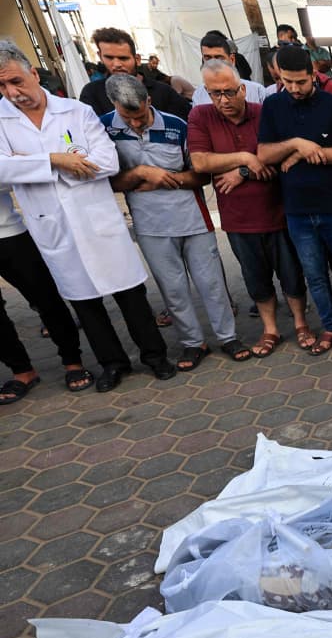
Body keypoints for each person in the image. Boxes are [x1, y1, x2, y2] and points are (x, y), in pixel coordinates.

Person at [0, 41, 174, 391]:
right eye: (2, 86)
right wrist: (57, 160)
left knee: (129, 294)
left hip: (95, 220)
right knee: (85, 302)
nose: (11, 92)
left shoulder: (76, 112)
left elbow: (107, 162)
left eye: (16, 81)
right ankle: (112, 364)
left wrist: (27, 165)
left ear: (34, 74)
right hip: (53, 224)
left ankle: (155, 356)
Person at [103, 74, 248, 371]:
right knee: (173, 289)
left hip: (192, 218)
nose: (135, 124)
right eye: (126, 117)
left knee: (212, 284)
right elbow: (109, 182)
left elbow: (201, 174)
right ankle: (193, 343)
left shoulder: (177, 125)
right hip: (149, 225)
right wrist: (142, 173)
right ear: (114, 106)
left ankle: (228, 337)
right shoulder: (104, 128)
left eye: (140, 116)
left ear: (149, 101)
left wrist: (168, 179)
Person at [258, 45, 332, 355]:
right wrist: (297, 143)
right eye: (287, 81)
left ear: (313, 75)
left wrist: (302, 154)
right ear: (278, 77)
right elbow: (265, 154)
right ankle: (330, 328)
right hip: (298, 210)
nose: (294, 88)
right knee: (315, 275)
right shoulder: (272, 106)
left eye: (301, 81)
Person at [189, 60, 311, 358]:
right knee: (255, 277)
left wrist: (240, 172)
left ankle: (300, 323)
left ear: (242, 89)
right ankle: (270, 329)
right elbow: (201, 163)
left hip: (278, 210)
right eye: (215, 93)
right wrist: (246, 158)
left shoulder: (263, 113)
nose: (223, 100)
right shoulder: (200, 116)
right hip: (238, 218)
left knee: (291, 273)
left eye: (229, 92)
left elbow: (277, 155)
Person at [0, 186, 93, 400]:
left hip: (9, 234)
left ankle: (73, 362)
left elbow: (11, 176)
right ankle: (22, 371)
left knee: (45, 298)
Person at [79, 27, 189, 119]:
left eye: (123, 58)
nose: (116, 64)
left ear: (137, 59)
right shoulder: (92, 93)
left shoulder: (163, 92)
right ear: (100, 56)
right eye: (109, 58)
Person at [192, 32, 267, 106]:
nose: (213, 63)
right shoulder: (199, 95)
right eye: (208, 58)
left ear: (232, 60)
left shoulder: (257, 91)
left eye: (219, 58)